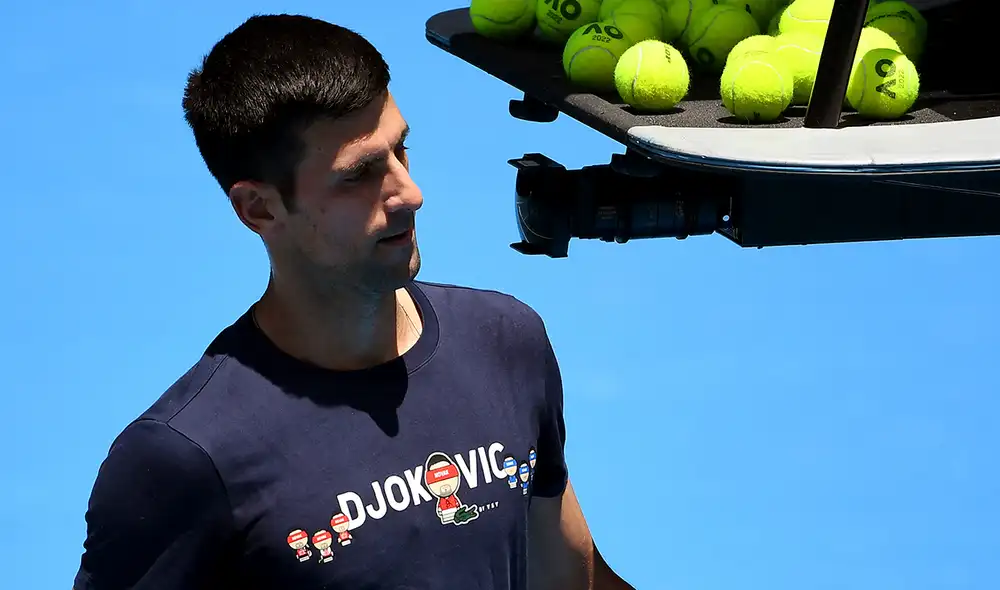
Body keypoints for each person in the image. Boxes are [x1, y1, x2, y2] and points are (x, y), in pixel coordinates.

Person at [73, 13, 634, 590]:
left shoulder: (505, 341)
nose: (410, 194)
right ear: (260, 209)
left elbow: (572, 579)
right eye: (359, 175)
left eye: (401, 150)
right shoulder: (182, 461)